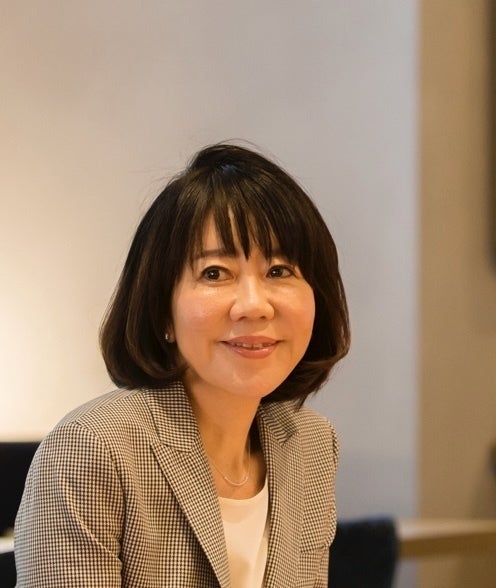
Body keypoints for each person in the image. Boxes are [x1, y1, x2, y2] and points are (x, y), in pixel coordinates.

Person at [14, 143, 350, 587]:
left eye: (279, 271)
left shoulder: (312, 445)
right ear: (163, 312)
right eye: (215, 273)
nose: (254, 305)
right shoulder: (93, 450)